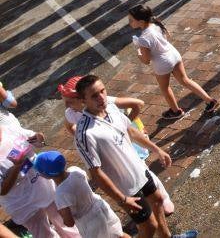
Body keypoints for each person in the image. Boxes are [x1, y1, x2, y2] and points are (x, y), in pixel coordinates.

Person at [73, 75, 176, 238]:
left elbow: (131, 131)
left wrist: (157, 150)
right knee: (149, 227)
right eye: (94, 95)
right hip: (126, 188)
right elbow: (96, 173)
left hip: (141, 172)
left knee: (157, 202)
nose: (101, 98)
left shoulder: (111, 108)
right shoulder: (85, 134)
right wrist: (122, 199)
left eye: (102, 91)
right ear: (83, 100)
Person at [128, 4, 218, 120]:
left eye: (131, 20)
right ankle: (210, 101)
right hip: (174, 55)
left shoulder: (143, 39)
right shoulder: (156, 24)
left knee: (165, 88)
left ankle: (176, 111)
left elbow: (146, 61)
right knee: (185, 80)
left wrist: (139, 53)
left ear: (140, 21)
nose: (129, 22)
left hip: (162, 63)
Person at [0, 117, 79, 238]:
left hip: (43, 186)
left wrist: (39, 137)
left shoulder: (10, 130)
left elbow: (36, 141)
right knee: (44, 234)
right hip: (22, 203)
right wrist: (17, 166)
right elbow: (2, 190)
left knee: (65, 222)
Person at [32, 150, 126, 238]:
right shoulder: (75, 170)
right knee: (119, 234)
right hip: (101, 207)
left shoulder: (60, 194)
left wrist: (61, 214)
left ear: (46, 175)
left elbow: (69, 223)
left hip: (90, 223)